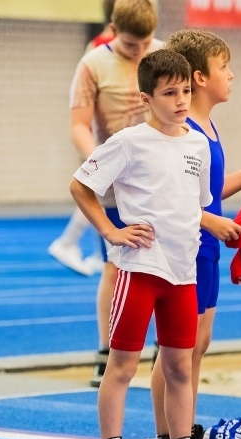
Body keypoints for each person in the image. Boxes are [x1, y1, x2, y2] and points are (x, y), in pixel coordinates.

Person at [70, 48, 221, 439]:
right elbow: (80, 186)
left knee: (180, 368)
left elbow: (195, 206)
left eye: (186, 91)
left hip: (183, 275)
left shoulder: (197, 144)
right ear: (146, 98)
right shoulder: (129, 142)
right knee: (122, 366)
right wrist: (110, 231)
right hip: (140, 270)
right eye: (169, 93)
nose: (180, 100)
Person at [147, 29, 241, 439]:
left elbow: (209, 192)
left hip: (207, 251)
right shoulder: (182, 132)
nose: (231, 75)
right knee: (176, 350)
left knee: (197, 345)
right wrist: (210, 221)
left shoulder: (207, 131)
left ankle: (184, 430)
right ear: (199, 77)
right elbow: (170, 199)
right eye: (224, 67)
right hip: (185, 249)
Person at [68, 0, 163, 387]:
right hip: (114, 183)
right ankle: (107, 351)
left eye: (145, 43)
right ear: (112, 29)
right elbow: (78, 124)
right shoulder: (93, 64)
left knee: (166, 263)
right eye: (129, 45)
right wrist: (100, 165)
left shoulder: (163, 55)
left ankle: (163, 349)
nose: (139, 51)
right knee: (116, 264)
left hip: (158, 179)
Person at [47, 0, 119, 277]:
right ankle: (68, 242)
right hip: (100, 133)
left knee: (104, 192)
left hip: (103, 132)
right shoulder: (103, 48)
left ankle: (92, 249)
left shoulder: (106, 45)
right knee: (100, 191)